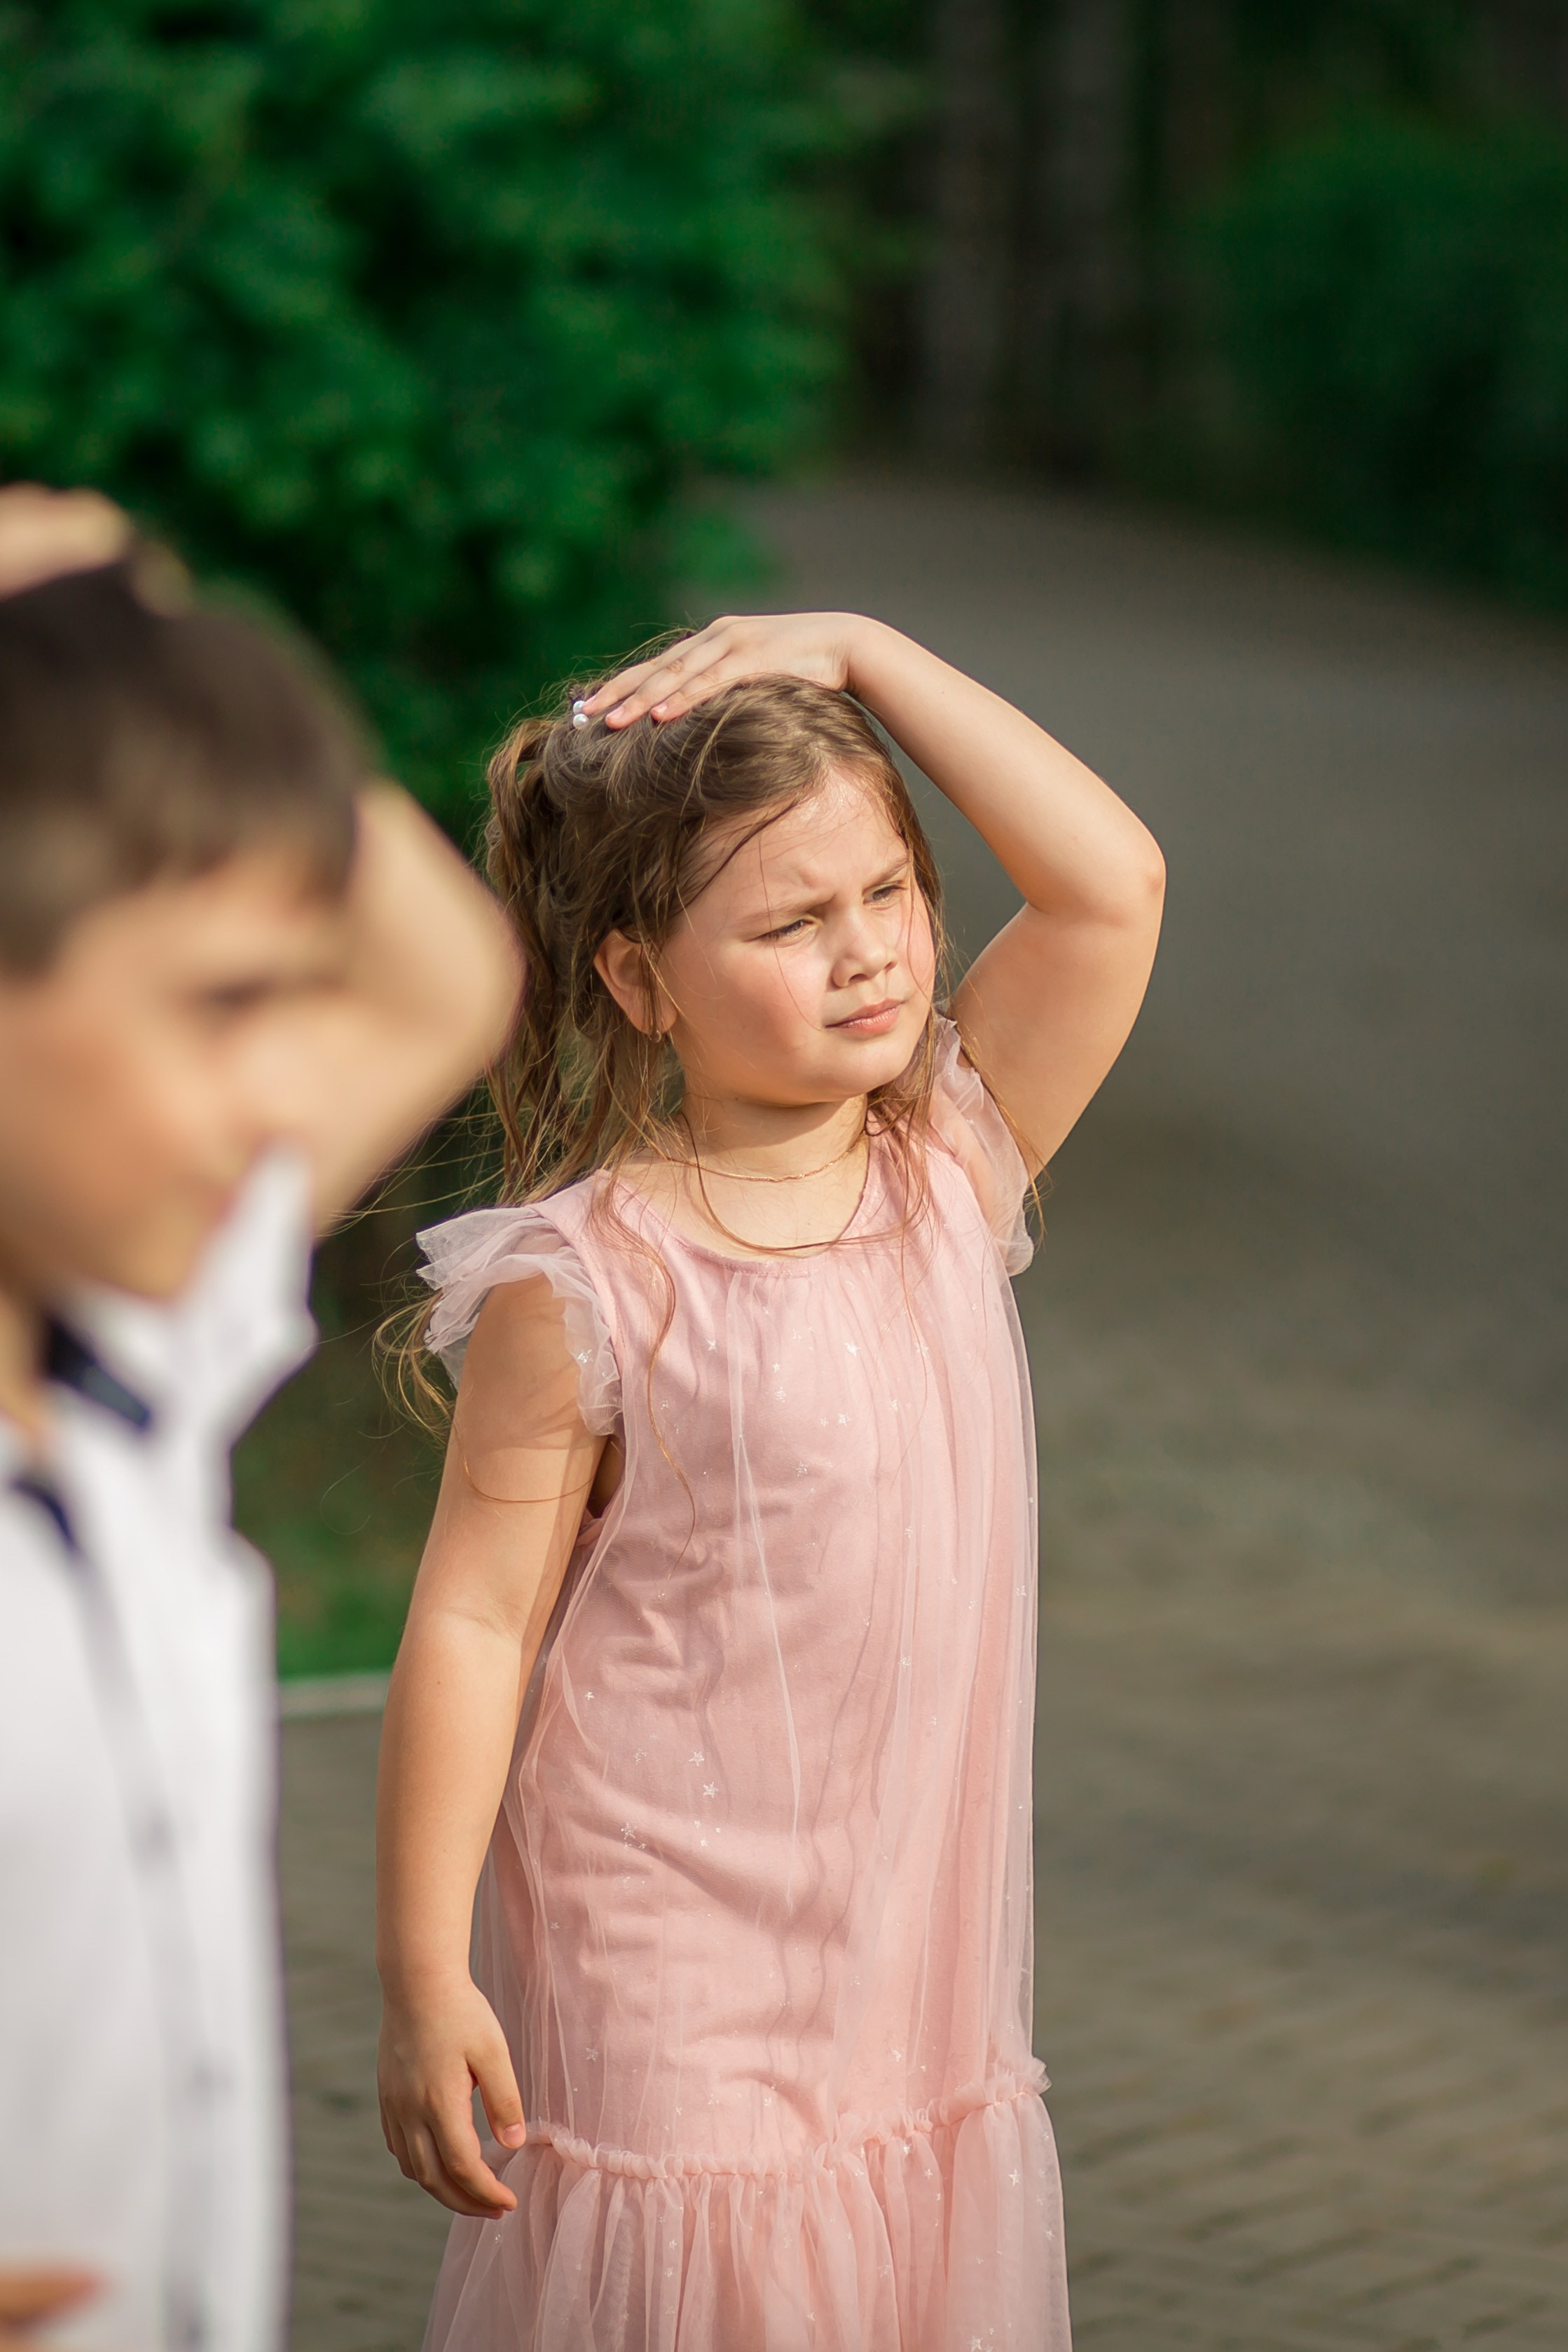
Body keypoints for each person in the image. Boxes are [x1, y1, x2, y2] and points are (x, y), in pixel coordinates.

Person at [376, 612, 1164, 2349]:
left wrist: (869, 654)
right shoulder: (586, 1276)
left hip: (905, 1931)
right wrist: (428, 1970)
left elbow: (1112, 884)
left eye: (888, 891)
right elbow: (473, 1619)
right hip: (655, 1918)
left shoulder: (952, 1159)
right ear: (640, 979)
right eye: (794, 922)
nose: (870, 953)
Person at [0, 486, 520, 2352]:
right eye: (222, 1006)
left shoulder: (140, 1368)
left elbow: (448, 974)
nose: (289, 1090)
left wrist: (124, 614)